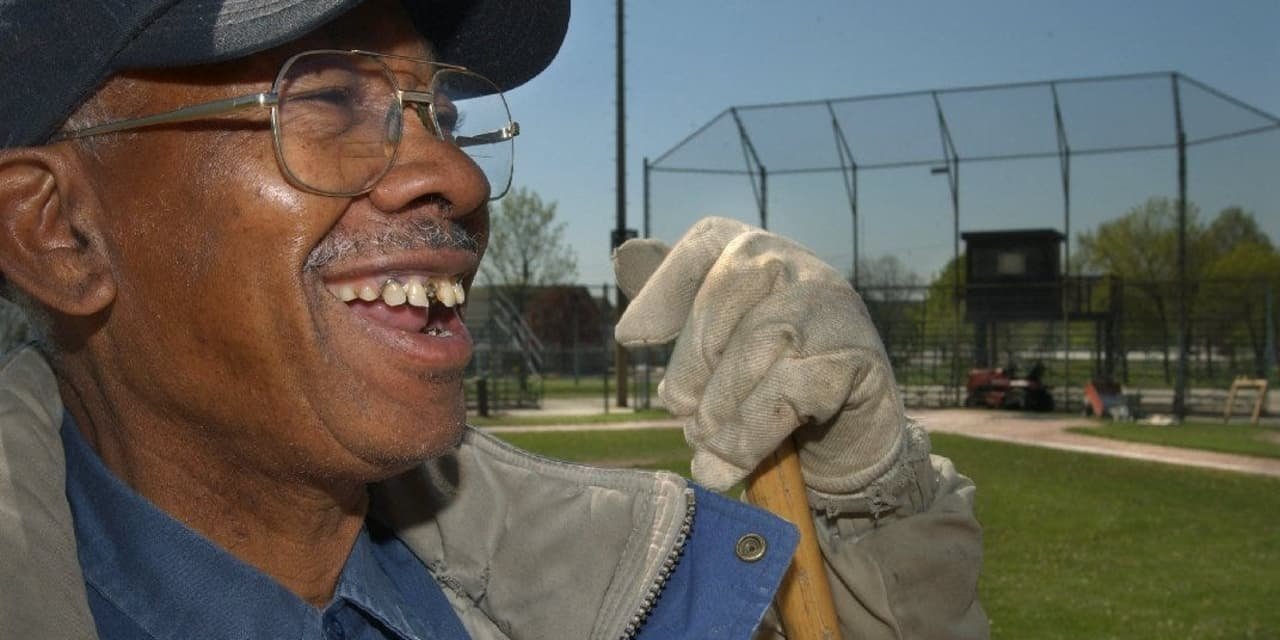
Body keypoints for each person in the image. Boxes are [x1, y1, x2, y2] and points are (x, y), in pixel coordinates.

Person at [0, 0, 987, 638]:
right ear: (58, 234)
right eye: (330, 99)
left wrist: (866, 504)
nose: (455, 174)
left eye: (444, 112)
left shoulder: (625, 590)